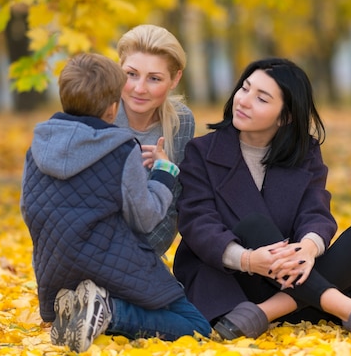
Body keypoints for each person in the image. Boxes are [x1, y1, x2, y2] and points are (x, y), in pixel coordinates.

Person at [173, 57, 351, 340]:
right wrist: (249, 260)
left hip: (290, 283)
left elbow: (316, 211)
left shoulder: (305, 152)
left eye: (261, 98)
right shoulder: (201, 151)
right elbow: (198, 223)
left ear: (285, 116)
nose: (244, 101)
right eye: (244, 88)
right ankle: (344, 307)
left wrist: (308, 249)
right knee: (253, 226)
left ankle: (266, 313)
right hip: (236, 284)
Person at [20, 53, 211, 353]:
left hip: (53, 270)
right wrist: (165, 170)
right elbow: (146, 218)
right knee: (195, 326)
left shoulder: (38, 146)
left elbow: (29, 209)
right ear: (113, 108)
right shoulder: (120, 150)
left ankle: (85, 309)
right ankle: (109, 311)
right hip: (111, 265)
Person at [114, 24, 195, 257]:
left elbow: (171, 211)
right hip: (90, 252)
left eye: (154, 78)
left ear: (174, 79)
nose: (139, 88)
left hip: (143, 255)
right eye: (131, 74)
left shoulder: (180, 122)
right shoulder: (96, 115)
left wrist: (138, 261)